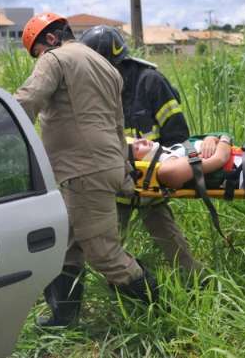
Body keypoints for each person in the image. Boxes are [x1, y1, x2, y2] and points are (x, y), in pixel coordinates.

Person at [0, 13, 158, 328]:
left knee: (104, 254)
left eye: (39, 50)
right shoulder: (107, 68)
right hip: (102, 167)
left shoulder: (55, 59)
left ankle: (159, 313)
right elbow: (116, 125)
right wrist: (123, 172)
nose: (40, 57)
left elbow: (28, 101)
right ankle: (63, 317)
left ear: (51, 39)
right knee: (65, 246)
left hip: (83, 171)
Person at [80, 25, 201, 273]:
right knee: (107, 246)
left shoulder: (151, 82)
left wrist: (163, 169)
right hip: (116, 183)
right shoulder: (93, 91)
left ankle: (197, 283)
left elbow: (179, 136)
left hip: (153, 179)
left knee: (165, 233)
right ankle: (123, 287)